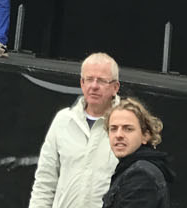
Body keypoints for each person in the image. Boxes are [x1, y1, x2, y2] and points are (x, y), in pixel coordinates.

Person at [29, 53, 122, 208]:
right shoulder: (63, 120)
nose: (94, 86)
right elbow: (45, 182)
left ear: (115, 87)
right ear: (82, 83)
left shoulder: (127, 127)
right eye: (89, 79)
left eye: (101, 80)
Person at [101, 98, 174, 208]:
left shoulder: (141, 175)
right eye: (113, 129)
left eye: (128, 129)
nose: (119, 135)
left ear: (145, 136)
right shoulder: (132, 168)